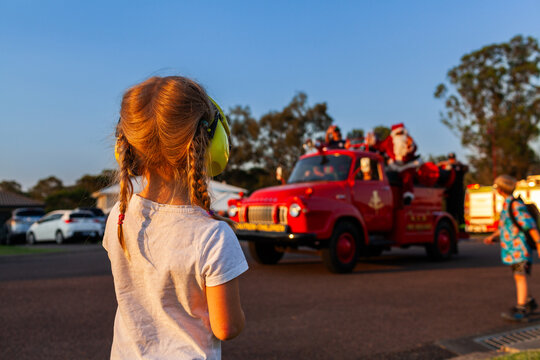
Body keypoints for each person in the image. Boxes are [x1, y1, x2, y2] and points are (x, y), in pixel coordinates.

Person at [103, 76, 248, 359]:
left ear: (127, 145)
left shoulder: (118, 216)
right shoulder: (213, 236)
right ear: (211, 142)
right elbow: (227, 327)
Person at [484, 175, 540, 321]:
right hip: (512, 251)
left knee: (519, 276)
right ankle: (529, 301)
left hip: (519, 250)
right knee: (519, 276)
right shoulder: (508, 205)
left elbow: (529, 225)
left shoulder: (515, 205)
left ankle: (521, 309)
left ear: (501, 189)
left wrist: (539, 243)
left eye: (496, 187)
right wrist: (493, 237)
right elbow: (505, 227)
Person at [366, 123, 420, 204]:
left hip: (407, 165)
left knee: (407, 177)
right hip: (394, 165)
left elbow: (414, 148)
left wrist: (411, 146)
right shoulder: (389, 140)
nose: (400, 135)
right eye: (398, 133)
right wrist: (373, 141)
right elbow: (380, 146)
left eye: (401, 133)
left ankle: (407, 196)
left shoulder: (408, 139)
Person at [438, 153, 468, 231]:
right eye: (450, 159)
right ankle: (451, 229)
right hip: (449, 194)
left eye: (453, 159)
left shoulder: (459, 167)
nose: (451, 160)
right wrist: (442, 163)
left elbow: (466, 168)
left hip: (458, 193)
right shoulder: (446, 167)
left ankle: (462, 230)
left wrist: (459, 164)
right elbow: (437, 170)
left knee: (460, 212)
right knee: (449, 212)